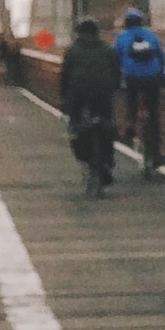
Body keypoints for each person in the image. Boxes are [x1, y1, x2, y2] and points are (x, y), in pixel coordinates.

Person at [59, 13, 121, 196]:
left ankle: (83, 154)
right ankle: (107, 161)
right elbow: (116, 72)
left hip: (78, 94)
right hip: (103, 93)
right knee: (107, 124)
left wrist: (64, 99)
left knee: (76, 126)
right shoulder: (107, 49)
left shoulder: (72, 50)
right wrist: (114, 89)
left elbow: (65, 76)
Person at [113, 7, 165, 177]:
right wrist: (161, 76)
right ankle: (156, 153)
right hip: (152, 79)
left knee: (131, 101)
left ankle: (130, 123)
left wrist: (116, 80)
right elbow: (161, 57)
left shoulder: (122, 38)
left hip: (133, 79)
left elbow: (115, 60)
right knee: (153, 115)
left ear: (126, 24)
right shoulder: (151, 36)